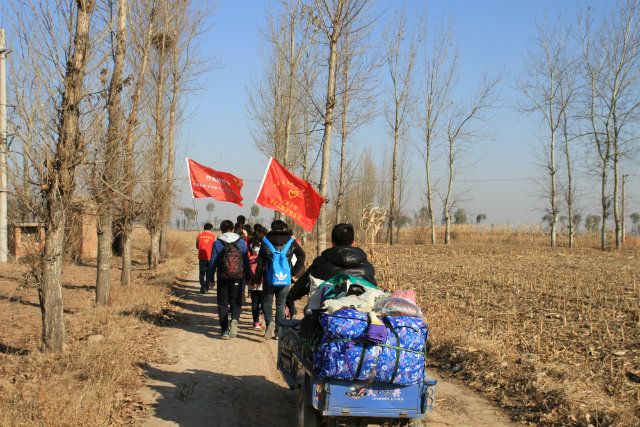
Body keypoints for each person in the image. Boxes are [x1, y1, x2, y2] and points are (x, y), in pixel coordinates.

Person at [287, 223, 376, 303]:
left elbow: (299, 288)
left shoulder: (319, 264)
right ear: (353, 243)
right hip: (357, 316)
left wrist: (288, 299)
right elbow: (373, 291)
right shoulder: (367, 267)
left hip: (324, 317)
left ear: (332, 243)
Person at [251, 219, 305, 340]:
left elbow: (260, 263)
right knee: (281, 304)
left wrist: (257, 278)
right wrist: (293, 272)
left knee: (267, 301)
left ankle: (270, 322)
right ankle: (278, 331)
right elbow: (302, 256)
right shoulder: (292, 242)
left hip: (269, 277)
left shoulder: (265, 242)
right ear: (284, 229)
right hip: (285, 278)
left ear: (272, 229)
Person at [207, 220, 252, 339]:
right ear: (233, 230)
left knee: (222, 303)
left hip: (222, 277)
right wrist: (248, 277)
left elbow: (213, 261)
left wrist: (210, 278)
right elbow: (246, 261)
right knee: (236, 301)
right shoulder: (241, 243)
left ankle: (224, 330)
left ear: (221, 230)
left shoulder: (217, 243)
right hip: (238, 276)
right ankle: (235, 320)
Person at [247, 227, 266, 329]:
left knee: (254, 301)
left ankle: (256, 322)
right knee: (263, 299)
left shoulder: (251, 244)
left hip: (252, 274)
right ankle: (263, 314)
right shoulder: (265, 245)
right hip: (262, 276)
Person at [196, 223, 216, 294]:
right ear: (211, 229)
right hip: (210, 257)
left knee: (201, 273)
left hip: (202, 257)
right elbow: (214, 247)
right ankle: (206, 288)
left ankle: (202, 285)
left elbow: (197, 246)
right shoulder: (213, 237)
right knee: (208, 273)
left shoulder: (199, 236)